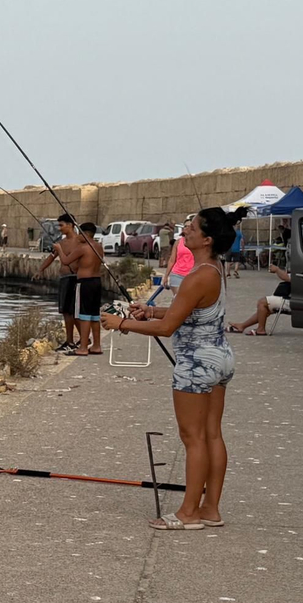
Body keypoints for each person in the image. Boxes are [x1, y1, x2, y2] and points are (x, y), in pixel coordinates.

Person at [102, 207, 248, 530]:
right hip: (219, 358)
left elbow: (169, 329)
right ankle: (210, 509)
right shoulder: (214, 268)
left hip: (196, 366)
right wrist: (150, 311)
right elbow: (189, 312)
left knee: (192, 438)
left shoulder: (198, 276)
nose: (185, 231)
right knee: (212, 434)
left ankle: (188, 514)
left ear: (207, 239)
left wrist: (121, 323)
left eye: (193, 228)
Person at [37, 214, 84, 352]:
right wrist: (41, 270)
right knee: (66, 312)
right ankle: (72, 340)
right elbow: (51, 257)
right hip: (64, 279)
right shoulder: (61, 243)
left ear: (70, 225)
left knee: (72, 312)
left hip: (74, 279)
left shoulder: (80, 241)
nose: (59, 228)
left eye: (61, 225)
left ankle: (74, 340)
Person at [69, 222, 106, 354]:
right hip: (97, 281)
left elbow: (66, 261)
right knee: (94, 315)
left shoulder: (83, 248)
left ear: (85, 234)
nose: (78, 236)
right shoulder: (99, 247)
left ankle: (83, 347)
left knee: (84, 316)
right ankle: (96, 345)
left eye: (79, 233)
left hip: (85, 283)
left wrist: (58, 249)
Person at [229, 263, 292, 334]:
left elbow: (286, 277)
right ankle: (242, 326)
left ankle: (261, 329)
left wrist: (277, 269)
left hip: (291, 301)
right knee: (265, 307)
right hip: (294, 300)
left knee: (262, 302)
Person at [160, 216, 195, 301]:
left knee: (190, 300)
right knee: (179, 299)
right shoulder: (178, 242)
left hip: (192, 275)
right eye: (185, 226)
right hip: (177, 274)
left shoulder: (197, 242)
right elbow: (172, 260)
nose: (187, 228)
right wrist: (166, 276)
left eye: (189, 226)